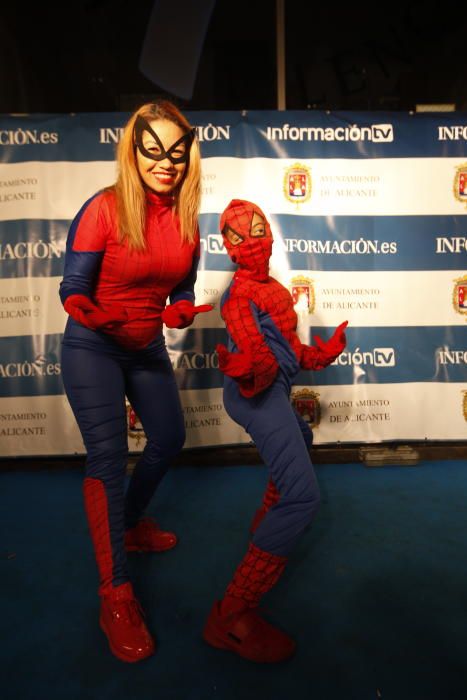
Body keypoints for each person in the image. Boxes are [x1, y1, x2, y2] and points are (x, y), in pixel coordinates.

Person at [59, 100, 212, 663]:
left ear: (188, 154)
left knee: (169, 440)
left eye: (177, 151)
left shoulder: (188, 217)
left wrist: (181, 310)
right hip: (92, 346)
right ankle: (114, 596)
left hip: (145, 347)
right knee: (107, 457)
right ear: (134, 150)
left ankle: (127, 523)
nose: (166, 163)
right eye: (155, 150)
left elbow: (181, 289)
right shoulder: (103, 208)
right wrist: (88, 310)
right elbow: (71, 287)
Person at [202, 199, 347, 663]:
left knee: (300, 442)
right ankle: (230, 615)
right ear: (229, 248)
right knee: (304, 498)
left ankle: (266, 523)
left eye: (257, 229)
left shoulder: (277, 291)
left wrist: (321, 355)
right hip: (253, 393)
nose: (251, 242)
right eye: (238, 236)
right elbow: (257, 356)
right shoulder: (239, 297)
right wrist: (250, 370)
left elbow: (288, 352)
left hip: (271, 388)